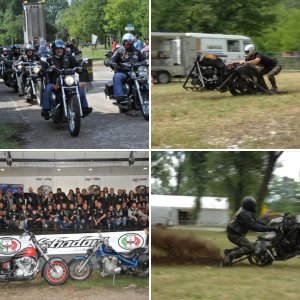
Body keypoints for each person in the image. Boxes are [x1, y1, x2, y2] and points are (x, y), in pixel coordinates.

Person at [40, 40, 92, 119]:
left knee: (81, 88)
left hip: (68, 81)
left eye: (61, 48)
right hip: (55, 83)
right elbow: (43, 69)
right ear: (54, 50)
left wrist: (81, 66)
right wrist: (46, 69)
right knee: (48, 88)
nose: (59, 50)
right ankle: (46, 110)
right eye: (57, 49)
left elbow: (76, 64)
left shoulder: (69, 58)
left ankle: (84, 108)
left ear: (63, 49)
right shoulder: (50, 59)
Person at [223, 196, 279, 266]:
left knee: (248, 246)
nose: (254, 206)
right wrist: (270, 228)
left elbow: (256, 220)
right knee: (249, 248)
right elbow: (255, 227)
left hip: (235, 233)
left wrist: (269, 225)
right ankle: (229, 256)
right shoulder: (244, 215)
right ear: (249, 206)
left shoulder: (245, 210)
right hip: (234, 234)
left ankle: (227, 252)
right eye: (253, 205)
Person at [109, 33, 146, 103]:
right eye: (127, 42)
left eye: (130, 42)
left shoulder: (137, 52)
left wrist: (146, 62)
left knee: (145, 78)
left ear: (133, 42)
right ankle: (120, 96)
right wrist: (112, 63)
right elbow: (112, 59)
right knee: (117, 76)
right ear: (123, 42)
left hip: (136, 72)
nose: (128, 43)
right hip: (123, 72)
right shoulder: (119, 51)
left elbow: (144, 60)